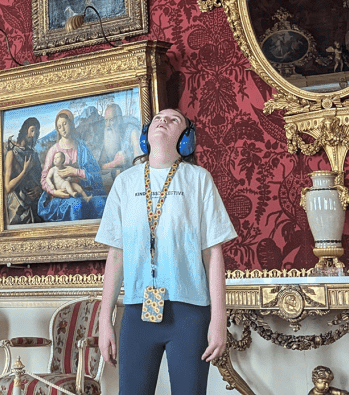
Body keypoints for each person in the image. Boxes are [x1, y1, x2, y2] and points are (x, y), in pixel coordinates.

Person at [95, 108, 236, 395]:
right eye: (158, 119)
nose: (163, 121)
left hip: (190, 313)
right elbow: (115, 256)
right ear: (146, 134)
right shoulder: (124, 183)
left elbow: (214, 254)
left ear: (186, 138)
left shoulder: (198, 179)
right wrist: (105, 321)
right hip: (137, 312)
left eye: (174, 120)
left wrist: (218, 319)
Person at [36, 110, 106, 221]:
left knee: (101, 203)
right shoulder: (54, 150)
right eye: (59, 126)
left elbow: (95, 173)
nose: (63, 128)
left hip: (83, 190)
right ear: (57, 130)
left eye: (65, 124)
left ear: (71, 123)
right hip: (62, 195)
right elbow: (44, 178)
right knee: (76, 205)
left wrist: (75, 171)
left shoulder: (82, 147)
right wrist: (55, 192)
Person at [4, 117, 44, 225]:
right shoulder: (11, 154)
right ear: (25, 130)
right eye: (32, 130)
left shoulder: (34, 154)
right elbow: (8, 188)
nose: (33, 135)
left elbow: (41, 179)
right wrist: (25, 171)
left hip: (36, 205)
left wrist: (39, 189)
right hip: (18, 207)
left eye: (36, 132)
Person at [96, 103, 140, 190]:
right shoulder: (108, 137)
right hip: (117, 185)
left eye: (111, 120)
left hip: (133, 183)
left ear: (119, 119)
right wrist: (114, 163)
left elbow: (139, 164)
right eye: (106, 120)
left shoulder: (132, 132)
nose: (108, 124)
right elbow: (99, 168)